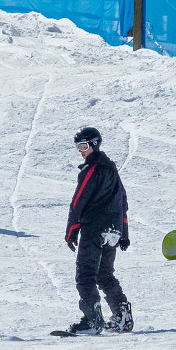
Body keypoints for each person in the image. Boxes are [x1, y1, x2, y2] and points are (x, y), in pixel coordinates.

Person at [64, 127, 133, 335]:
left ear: (94, 144)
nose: (81, 151)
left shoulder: (91, 169)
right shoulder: (111, 168)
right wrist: (123, 233)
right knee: (104, 274)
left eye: (83, 146)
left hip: (95, 228)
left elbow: (78, 201)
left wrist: (71, 230)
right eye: (78, 147)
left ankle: (92, 320)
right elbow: (122, 201)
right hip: (113, 230)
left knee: (85, 275)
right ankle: (122, 317)